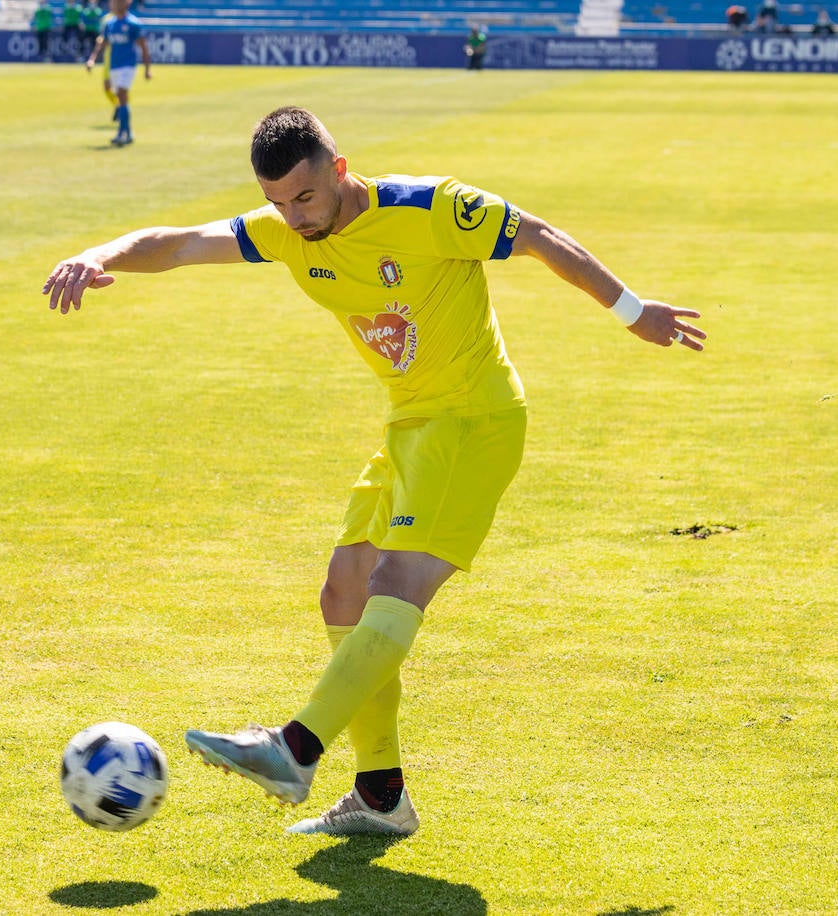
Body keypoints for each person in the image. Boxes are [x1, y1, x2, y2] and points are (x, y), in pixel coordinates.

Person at [43, 107, 705, 835]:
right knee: (344, 590)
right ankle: (382, 795)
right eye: (275, 203)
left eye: (303, 197)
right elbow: (174, 245)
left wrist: (633, 310)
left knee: (396, 584)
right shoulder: (287, 233)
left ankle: (293, 749)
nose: (291, 218)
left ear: (339, 169)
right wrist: (98, 253)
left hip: (474, 422)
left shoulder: (432, 208)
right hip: (408, 426)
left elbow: (541, 236)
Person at [85, 0, 150, 147]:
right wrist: (92, 59)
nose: (112, 5)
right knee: (121, 99)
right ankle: (127, 131)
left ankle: (122, 133)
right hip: (114, 65)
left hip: (128, 65)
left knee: (121, 94)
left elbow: (143, 47)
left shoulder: (133, 24)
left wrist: (147, 69)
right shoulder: (110, 24)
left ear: (124, 4)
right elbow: (103, 43)